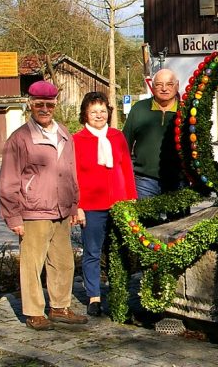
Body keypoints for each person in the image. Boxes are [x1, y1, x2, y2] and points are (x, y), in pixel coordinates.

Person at [0, 80, 88, 331]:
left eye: (49, 104)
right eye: (39, 104)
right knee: (32, 263)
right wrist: (13, 217)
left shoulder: (64, 134)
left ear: (55, 104)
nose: (45, 109)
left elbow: (71, 173)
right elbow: (8, 182)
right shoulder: (20, 139)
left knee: (63, 261)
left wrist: (73, 205)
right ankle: (34, 311)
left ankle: (59, 307)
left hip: (61, 209)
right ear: (30, 104)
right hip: (33, 211)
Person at [73, 92, 138, 317]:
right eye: (94, 112)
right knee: (92, 251)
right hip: (91, 205)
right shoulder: (77, 140)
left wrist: (131, 199)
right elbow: (73, 176)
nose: (99, 115)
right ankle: (94, 296)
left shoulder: (117, 137)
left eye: (102, 111)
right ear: (85, 115)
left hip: (119, 203)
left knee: (119, 250)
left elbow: (126, 169)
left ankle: (119, 293)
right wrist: (77, 206)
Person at [123, 68, 184, 199]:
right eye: (159, 84)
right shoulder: (139, 109)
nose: (164, 89)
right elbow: (124, 145)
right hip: (144, 181)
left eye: (169, 84)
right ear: (152, 86)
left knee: (180, 220)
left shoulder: (186, 112)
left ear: (177, 86)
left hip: (177, 180)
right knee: (146, 219)